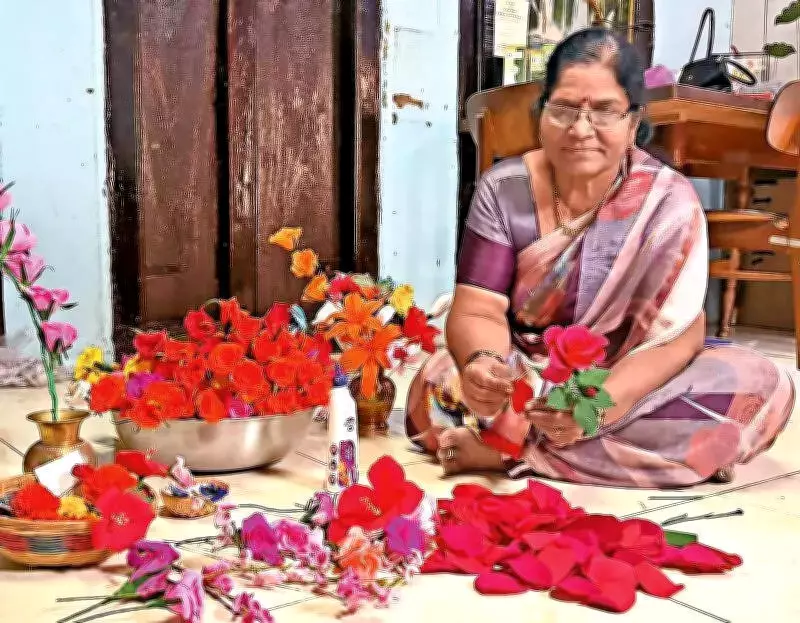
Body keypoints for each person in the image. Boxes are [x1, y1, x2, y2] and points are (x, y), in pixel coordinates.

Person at [405, 28, 795, 489]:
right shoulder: (504, 189)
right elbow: (479, 307)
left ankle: (509, 450)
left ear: (633, 124)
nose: (580, 129)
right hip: (526, 374)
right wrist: (483, 363)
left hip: (629, 378)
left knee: (763, 385)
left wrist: (604, 402)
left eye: (605, 111)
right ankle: (648, 455)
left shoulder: (669, 202)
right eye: (564, 109)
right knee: (439, 382)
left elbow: (678, 341)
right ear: (541, 114)